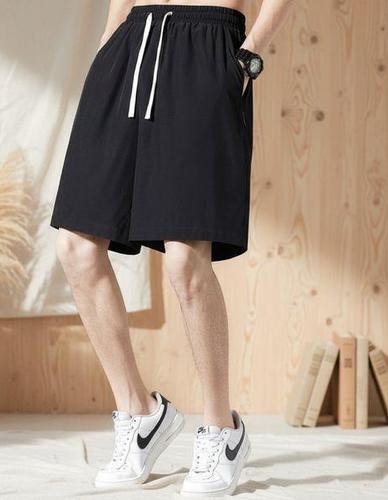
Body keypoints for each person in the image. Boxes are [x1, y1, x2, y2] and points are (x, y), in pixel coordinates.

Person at [51, 0, 294, 496]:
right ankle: (139, 413)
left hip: (207, 46)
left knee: (184, 258)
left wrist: (249, 54)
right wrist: (108, 44)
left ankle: (222, 429)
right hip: (131, 45)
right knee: (75, 245)